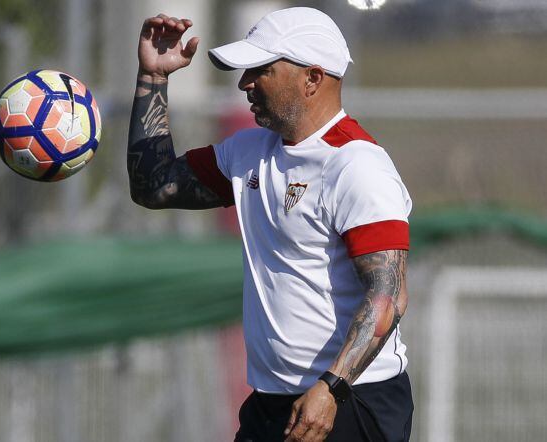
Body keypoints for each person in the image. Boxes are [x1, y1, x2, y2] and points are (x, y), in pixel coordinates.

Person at [127, 7, 413, 442]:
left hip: (350, 401)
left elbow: (388, 296)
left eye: (260, 70)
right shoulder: (249, 153)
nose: (244, 83)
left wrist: (331, 390)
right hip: (272, 402)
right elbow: (154, 184)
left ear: (312, 78)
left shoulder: (357, 165)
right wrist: (153, 77)